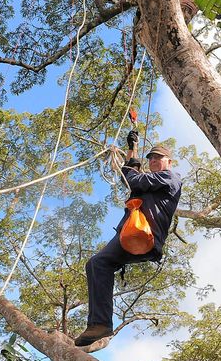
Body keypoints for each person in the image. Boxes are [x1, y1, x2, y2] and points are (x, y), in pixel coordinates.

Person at [74, 130, 182, 346]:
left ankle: (101, 323)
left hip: (146, 235)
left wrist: (133, 167)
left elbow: (132, 179)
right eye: (151, 158)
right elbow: (129, 176)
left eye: (158, 158)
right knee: (97, 264)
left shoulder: (170, 178)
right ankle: (99, 324)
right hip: (131, 235)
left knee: (100, 263)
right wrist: (132, 147)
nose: (153, 161)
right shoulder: (151, 182)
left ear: (169, 161)